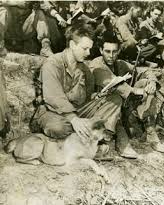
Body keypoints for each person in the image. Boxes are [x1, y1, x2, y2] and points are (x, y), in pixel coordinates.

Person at [29, 21, 136, 159]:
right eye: (85, 48)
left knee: (114, 100)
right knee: (59, 127)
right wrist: (74, 119)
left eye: (90, 49)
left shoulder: (84, 69)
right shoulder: (52, 63)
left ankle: (93, 141)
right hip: (51, 112)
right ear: (72, 45)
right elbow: (53, 97)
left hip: (77, 112)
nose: (89, 53)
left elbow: (88, 97)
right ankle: (82, 142)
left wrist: (97, 97)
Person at [90, 31, 164, 154]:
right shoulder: (96, 65)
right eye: (107, 51)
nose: (111, 55)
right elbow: (120, 88)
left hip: (122, 104)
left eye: (115, 51)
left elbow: (143, 70)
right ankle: (121, 140)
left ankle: (151, 133)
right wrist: (142, 92)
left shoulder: (120, 64)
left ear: (119, 51)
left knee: (145, 82)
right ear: (101, 50)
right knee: (116, 97)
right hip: (103, 108)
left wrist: (152, 83)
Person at [0, 1, 68, 57]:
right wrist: (16, 3)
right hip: (8, 29)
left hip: (24, 28)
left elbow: (46, 6)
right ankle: (0, 45)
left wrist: (59, 17)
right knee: (3, 11)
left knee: (39, 12)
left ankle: (45, 47)